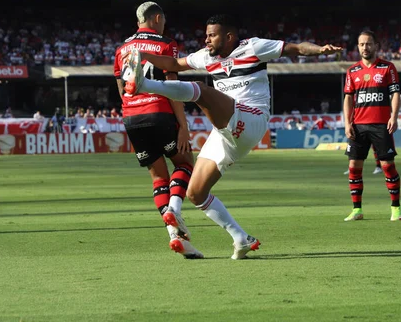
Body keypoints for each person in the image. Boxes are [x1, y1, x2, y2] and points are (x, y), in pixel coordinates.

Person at [121, 14, 341, 259]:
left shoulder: (254, 47)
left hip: (253, 118)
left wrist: (320, 49)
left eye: (212, 35)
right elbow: (173, 65)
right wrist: (144, 56)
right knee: (196, 192)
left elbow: (296, 48)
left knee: (202, 92)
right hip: (226, 130)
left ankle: (144, 86)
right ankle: (240, 237)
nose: (206, 40)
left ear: (229, 36)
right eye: (205, 35)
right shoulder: (207, 57)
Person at [114, 2, 198, 259]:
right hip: (160, 111)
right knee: (185, 164)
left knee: (159, 178)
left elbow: (121, 88)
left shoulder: (121, 49)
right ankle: (175, 208)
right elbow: (172, 86)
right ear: (157, 18)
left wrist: (132, 111)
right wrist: (183, 125)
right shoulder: (165, 44)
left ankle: (175, 234)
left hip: (132, 117)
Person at [342, 30, 401, 222]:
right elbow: (348, 98)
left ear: (376, 45)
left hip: (381, 125)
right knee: (354, 166)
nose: (365, 47)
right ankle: (357, 210)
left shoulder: (387, 68)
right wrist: (347, 123)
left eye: (368, 44)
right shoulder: (352, 71)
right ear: (358, 47)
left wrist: (394, 116)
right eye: (361, 44)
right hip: (358, 126)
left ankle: (396, 208)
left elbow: (395, 94)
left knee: (387, 165)